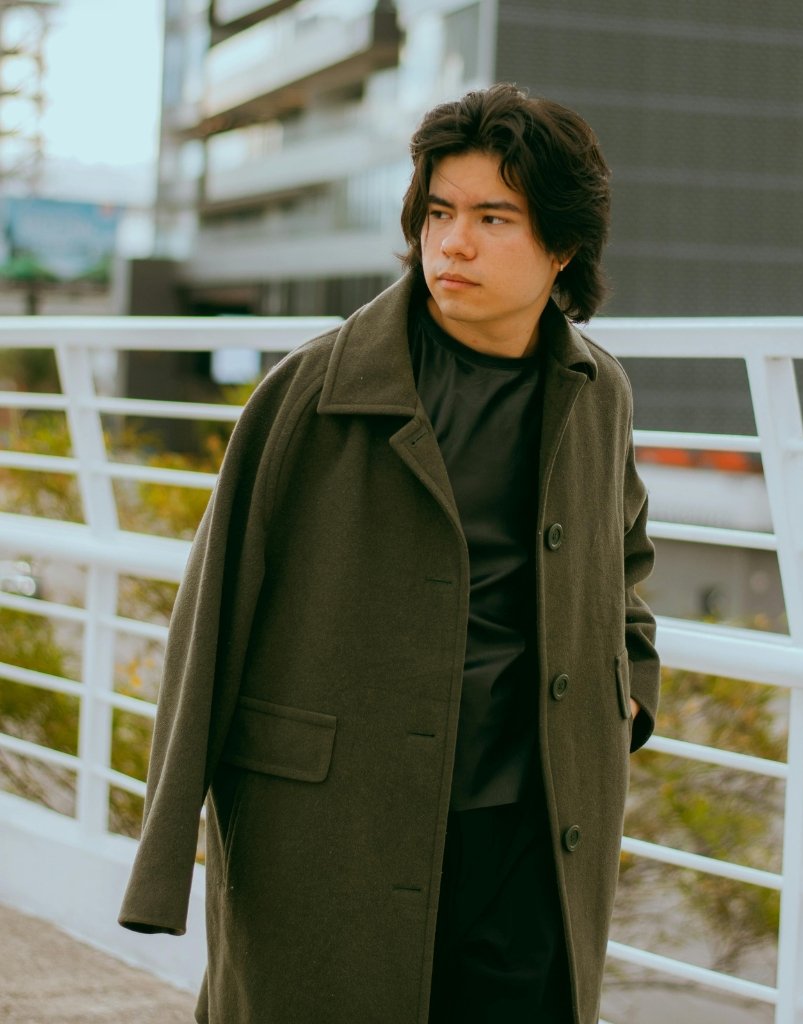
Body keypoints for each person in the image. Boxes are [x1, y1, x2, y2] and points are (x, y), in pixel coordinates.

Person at [118, 83, 659, 1024]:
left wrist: (627, 702)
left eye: (495, 217)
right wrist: (163, 866)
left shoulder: (594, 390)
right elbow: (210, 623)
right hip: (334, 836)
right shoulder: (314, 392)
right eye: (440, 213)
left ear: (562, 245)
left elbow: (624, 573)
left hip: (530, 835)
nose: (455, 243)